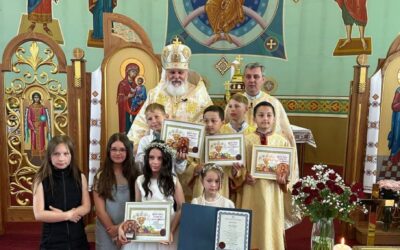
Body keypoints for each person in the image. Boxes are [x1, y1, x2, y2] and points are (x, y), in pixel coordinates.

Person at [127, 38, 213, 148]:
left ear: (186, 73)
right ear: (166, 73)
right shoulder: (155, 94)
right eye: (172, 72)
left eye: (180, 72)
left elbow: (209, 125)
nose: (176, 76)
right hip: (158, 155)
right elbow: (141, 124)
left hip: (190, 155)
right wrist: (132, 147)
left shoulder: (199, 95)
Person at [237, 101, 300, 250]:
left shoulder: (282, 142)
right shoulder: (246, 140)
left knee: (270, 225)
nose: (265, 118)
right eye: (261, 115)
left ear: (274, 118)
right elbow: (239, 168)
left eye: (269, 115)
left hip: (273, 192)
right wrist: (243, 176)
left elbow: (287, 170)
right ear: (254, 118)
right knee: (251, 224)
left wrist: (284, 179)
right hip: (250, 191)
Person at [118, 140, 185, 249]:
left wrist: (170, 231)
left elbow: (182, 208)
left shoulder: (173, 180)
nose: (155, 162)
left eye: (160, 158)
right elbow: (136, 210)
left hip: (167, 228)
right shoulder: (140, 180)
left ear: (165, 160)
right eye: (151, 157)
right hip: (146, 231)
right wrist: (123, 226)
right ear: (147, 158)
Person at [32, 135, 90, 249]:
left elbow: (86, 206)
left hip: (77, 237)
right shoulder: (41, 179)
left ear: (71, 155)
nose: (61, 158)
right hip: (52, 240)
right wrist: (67, 215)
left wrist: (69, 214)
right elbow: (39, 214)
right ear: (49, 156)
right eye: (56, 154)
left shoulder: (80, 176)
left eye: (66, 154)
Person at [93, 133, 139, 250]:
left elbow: (138, 205)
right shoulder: (100, 176)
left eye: (122, 150)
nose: (118, 153)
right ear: (109, 151)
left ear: (128, 152)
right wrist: (113, 230)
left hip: (129, 227)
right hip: (106, 229)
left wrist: (121, 227)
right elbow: (100, 210)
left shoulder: (136, 175)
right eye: (114, 149)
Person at [136, 103, 187, 174]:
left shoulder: (176, 140)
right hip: (150, 180)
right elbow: (139, 166)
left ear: (166, 117)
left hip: (170, 181)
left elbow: (180, 171)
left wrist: (180, 160)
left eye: (157, 117)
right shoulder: (144, 141)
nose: (154, 121)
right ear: (147, 122)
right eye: (150, 119)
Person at [25, 92, 51, 157]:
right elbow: (29, 118)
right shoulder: (30, 107)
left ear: (40, 98)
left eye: (37, 97)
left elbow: (43, 116)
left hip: (40, 126)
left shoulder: (42, 107)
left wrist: (40, 124)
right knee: (34, 139)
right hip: (33, 126)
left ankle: (41, 153)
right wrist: (33, 128)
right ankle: (34, 154)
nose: (36, 99)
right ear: (33, 98)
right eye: (35, 97)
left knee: (41, 139)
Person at [117, 63, 139, 133]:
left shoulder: (136, 84)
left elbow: (139, 95)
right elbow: (119, 99)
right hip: (125, 109)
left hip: (134, 108)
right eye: (133, 71)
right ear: (128, 72)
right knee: (126, 126)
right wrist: (128, 97)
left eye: (136, 72)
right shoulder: (122, 84)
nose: (134, 74)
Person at [388, 86, 400, 166]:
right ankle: (395, 159)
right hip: (399, 119)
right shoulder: (399, 90)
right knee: (397, 137)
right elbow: (394, 106)